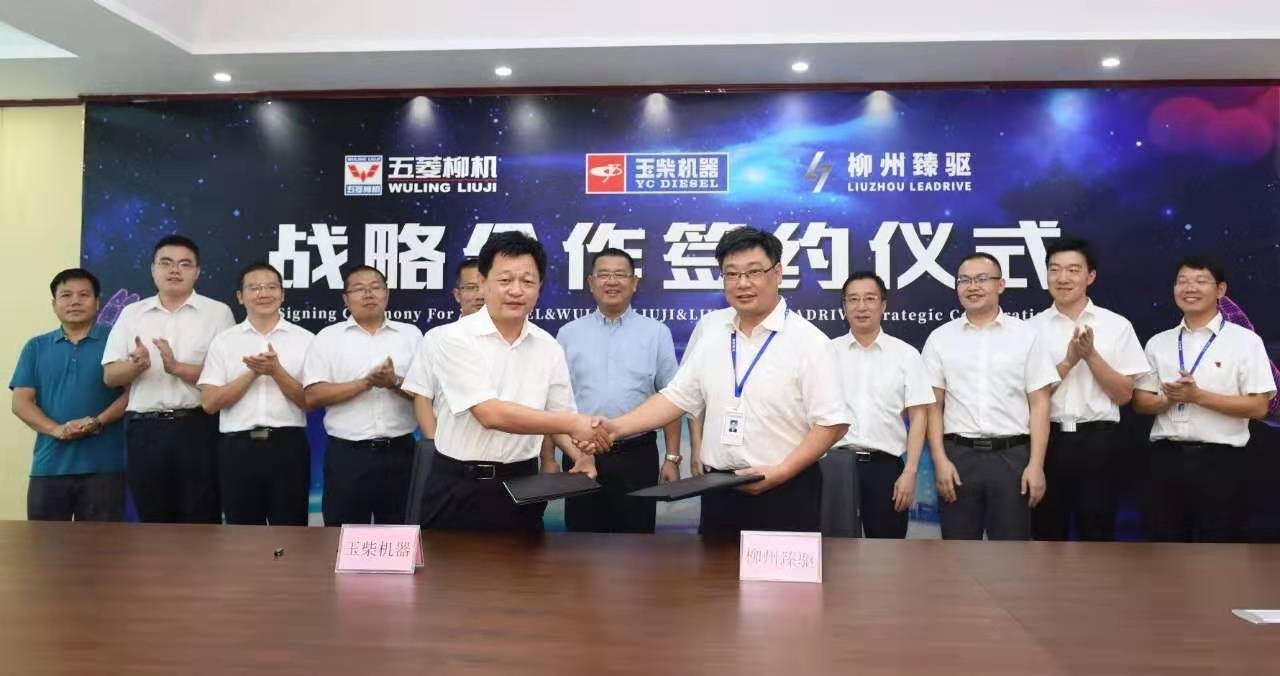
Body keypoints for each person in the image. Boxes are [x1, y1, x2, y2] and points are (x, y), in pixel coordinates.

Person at [603, 227, 849, 536]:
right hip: (719, 489)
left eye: (753, 272)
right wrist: (615, 428)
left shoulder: (810, 342)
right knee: (715, 569)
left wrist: (781, 472)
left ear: (778, 273)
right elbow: (676, 397)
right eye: (731, 274)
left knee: (780, 571)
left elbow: (832, 424)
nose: (742, 283)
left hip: (786, 489)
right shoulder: (712, 332)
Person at [405, 231, 606, 532]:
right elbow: (489, 414)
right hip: (458, 485)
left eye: (527, 281)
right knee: (447, 564)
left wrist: (581, 455)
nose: (516, 290)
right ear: (483, 282)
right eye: (505, 280)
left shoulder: (548, 346)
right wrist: (574, 423)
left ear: (539, 287)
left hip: (523, 485)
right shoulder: (450, 338)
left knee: (523, 563)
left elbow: (560, 416)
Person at [1132, 255, 1275, 543]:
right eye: (1182, 281)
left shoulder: (1246, 341)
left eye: (1200, 281)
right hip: (1166, 461)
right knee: (1165, 551)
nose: (1189, 288)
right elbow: (1140, 402)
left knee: (1222, 552)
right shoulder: (1159, 342)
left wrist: (1198, 397)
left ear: (1220, 290)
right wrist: (1168, 400)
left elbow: (1260, 407)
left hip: (1222, 464)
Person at [923, 253, 1058, 540]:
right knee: (957, 552)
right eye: (964, 280)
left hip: (1012, 458)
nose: (972, 287)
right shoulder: (940, 338)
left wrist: (1036, 465)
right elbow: (933, 406)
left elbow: (1040, 403)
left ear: (1001, 285)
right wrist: (940, 460)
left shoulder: (1027, 335)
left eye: (982, 279)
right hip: (958, 457)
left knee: (1012, 553)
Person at [103, 235, 235, 523]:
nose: (175, 270)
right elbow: (110, 376)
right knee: (153, 520)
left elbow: (226, 380)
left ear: (197, 272)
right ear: (153, 270)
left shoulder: (218, 313)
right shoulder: (132, 314)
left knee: (201, 519)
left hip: (198, 428)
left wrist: (176, 368)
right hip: (145, 430)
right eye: (166, 263)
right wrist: (135, 366)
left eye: (185, 264)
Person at [1028, 238, 1149, 541]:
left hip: (1099, 443)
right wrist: (1069, 361)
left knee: (1097, 535)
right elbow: (1027, 397)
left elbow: (1124, 395)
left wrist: (1091, 355)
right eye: (1054, 269)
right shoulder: (1030, 330)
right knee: (1046, 535)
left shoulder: (1116, 325)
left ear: (1090, 276)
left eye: (1073, 270)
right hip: (1047, 442)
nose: (1063, 278)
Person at [554, 247, 681, 533]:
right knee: (580, 541)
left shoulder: (656, 332)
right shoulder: (568, 333)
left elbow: (672, 397)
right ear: (591, 282)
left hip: (636, 455)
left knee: (636, 542)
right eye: (604, 275)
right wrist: (549, 458)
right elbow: (556, 401)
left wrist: (672, 457)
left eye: (620, 275)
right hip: (580, 453)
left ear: (634, 283)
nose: (612, 281)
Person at [302, 265, 421, 526]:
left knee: (400, 534)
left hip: (401, 453)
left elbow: (425, 394)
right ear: (345, 299)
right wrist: (366, 383)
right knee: (344, 534)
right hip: (347, 456)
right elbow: (312, 396)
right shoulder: (328, 338)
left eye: (375, 287)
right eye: (359, 289)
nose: (368, 294)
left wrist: (393, 382)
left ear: (387, 293)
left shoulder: (410, 335)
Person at [198, 262, 315, 525]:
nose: (263, 293)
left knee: (290, 531)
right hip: (237, 449)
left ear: (282, 294)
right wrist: (252, 373)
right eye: (254, 288)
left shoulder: (306, 339)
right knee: (242, 532)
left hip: (288, 447)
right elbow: (209, 403)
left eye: (271, 287)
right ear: (240, 297)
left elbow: (311, 402)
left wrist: (276, 371)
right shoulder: (224, 341)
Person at [10, 268, 128, 521]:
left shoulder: (117, 341)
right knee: (45, 544)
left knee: (102, 544)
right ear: (54, 304)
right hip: (49, 467)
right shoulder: (36, 347)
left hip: (105, 467)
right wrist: (57, 430)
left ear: (97, 302)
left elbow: (132, 395)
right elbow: (20, 402)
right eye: (66, 295)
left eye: (83, 295)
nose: (75, 301)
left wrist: (97, 422)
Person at [824, 271, 934, 538]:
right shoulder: (826, 353)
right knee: (835, 551)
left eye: (870, 298)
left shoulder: (906, 355)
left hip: (885, 468)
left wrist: (910, 472)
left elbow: (919, 417)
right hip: (835, 466)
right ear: (844, 307)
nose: (861, 306)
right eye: (853, 299)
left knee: (887, 552)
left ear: (883, 305)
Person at [402, 258, 486, 523]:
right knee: (445, 539)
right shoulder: (437, 338)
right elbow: (422, 396)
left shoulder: (514, 338)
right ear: (457, 295)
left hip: (502, 463)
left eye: (484, 286)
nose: (479, 294)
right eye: (471, 287)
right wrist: (436, 444)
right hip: (448, 460)